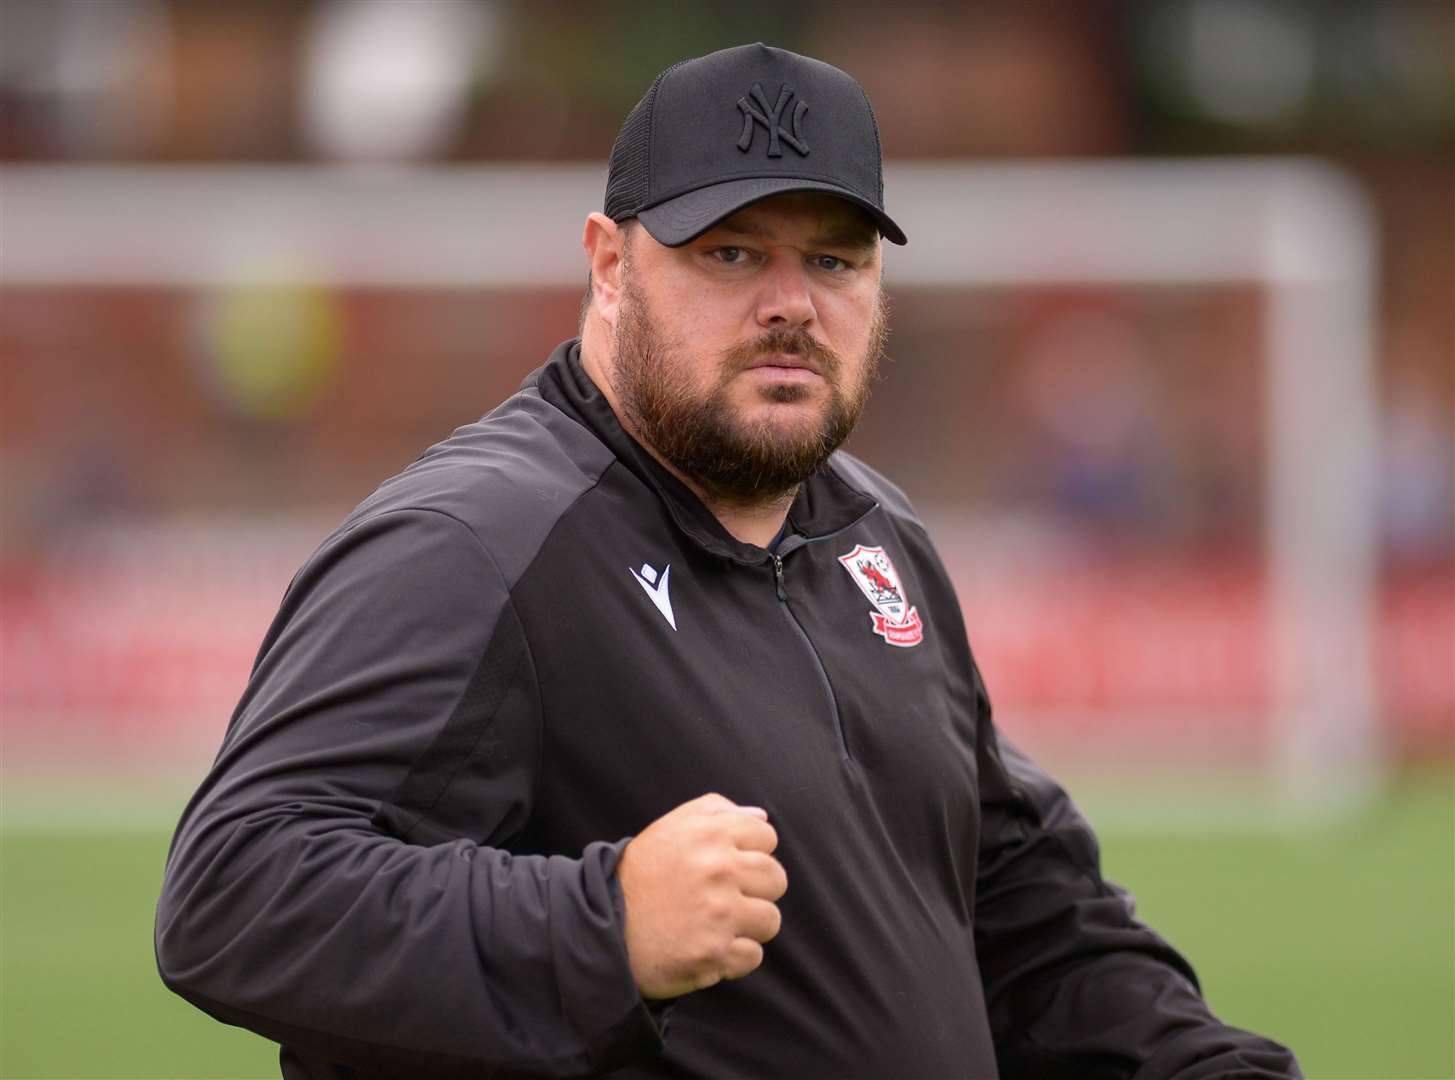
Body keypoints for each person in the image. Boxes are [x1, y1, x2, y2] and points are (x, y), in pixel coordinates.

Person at [156, 43, 1302, 1080]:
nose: (793, 305)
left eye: (838, 262)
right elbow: (233, 895)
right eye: (733, 252)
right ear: (609, 265)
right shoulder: (478, 542)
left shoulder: (873, 535)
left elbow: (1020, 912)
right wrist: (602, 925)